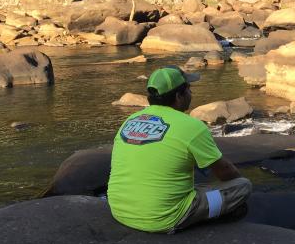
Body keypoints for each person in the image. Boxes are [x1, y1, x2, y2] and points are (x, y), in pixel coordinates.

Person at [107, 65, 251, 233]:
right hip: (164, 218)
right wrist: (234, 182)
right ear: (178, 96)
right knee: (243, 186)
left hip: (119, 210)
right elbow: (225, 171)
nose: (192, 94)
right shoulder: (192, 126)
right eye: (189, 89)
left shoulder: (131, 119)